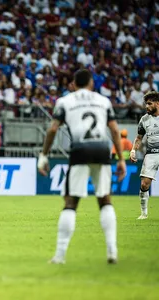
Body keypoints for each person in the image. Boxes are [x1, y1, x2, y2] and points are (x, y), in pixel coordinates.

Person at [38, 69, 126, 264]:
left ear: (73, 84)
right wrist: (120, 158)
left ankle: (60, 256)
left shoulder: (65, 101)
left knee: (70, 203)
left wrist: (43, 155)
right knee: (105, 200)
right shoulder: (103, 101)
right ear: (91, 84)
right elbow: (114, 129)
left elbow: (53, 129)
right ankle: (112, 251)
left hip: (80, 151)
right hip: (102, 150)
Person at [130, 91, 159, 220]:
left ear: (157, 104)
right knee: (144, 184)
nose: (146, 106)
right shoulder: (144, 119)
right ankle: (144, 213)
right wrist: (133, 150)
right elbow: (139, 138)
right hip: (152, 154)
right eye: (146, 104)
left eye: (149, 103)